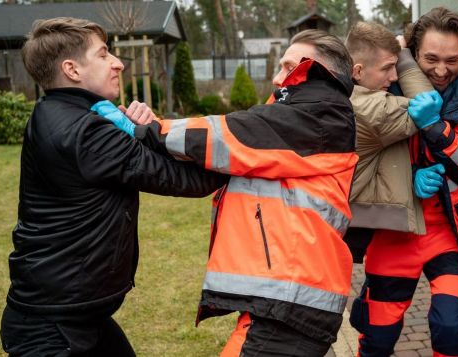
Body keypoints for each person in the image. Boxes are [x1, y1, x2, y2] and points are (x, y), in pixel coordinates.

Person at [100, 29, 358, 356]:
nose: (278, 77)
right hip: (288, 300)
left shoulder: (319, 112)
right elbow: (223, 155)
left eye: (290, 67)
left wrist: (146, 130)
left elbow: (226, 137)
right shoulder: (308, 114)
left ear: (325, 73)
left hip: (291, 304)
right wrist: (157, 132)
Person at [0, 17, 227, 356]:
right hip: (54, 330)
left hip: (68, 311)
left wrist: (141, 132)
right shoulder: (86, 132)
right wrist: (251, 152)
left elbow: (125, 157)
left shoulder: (53, 111)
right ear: (72, 70)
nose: (118, 63)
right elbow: (187, 180)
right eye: (104, 54)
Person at [349, 7, 458, 357]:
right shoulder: (384, 84)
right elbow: (361, 160)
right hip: (395, 232)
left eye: (452, 60)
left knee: (450, 331)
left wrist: (438, 131)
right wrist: (409, 179)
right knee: (376, 339)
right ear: (411, 53)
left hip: (449, 235)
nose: (442, 70)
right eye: (431, 58)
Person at [344, 21, 438, 263]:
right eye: (387, 68)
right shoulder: (372, 109)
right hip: (347, 221)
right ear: (357, 72)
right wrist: (404, 54)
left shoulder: (345, 95)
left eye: (396, 67)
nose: (394, 76)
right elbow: (428, 103)